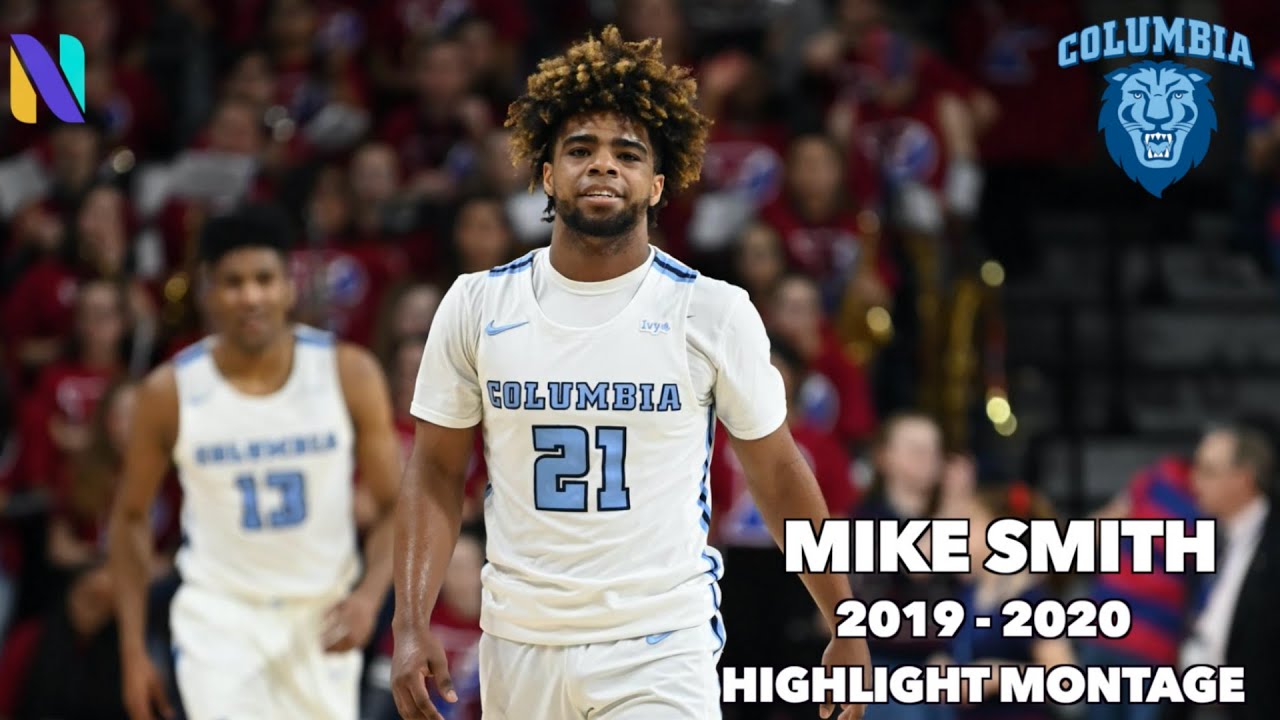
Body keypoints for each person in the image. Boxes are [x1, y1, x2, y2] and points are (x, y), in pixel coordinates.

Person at [391, 25, 872, 720]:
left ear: (657, 183)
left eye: (627, 153)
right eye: (579, 149)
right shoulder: (476, 304)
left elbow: (776, 470)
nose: (603, 166)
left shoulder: (711, 310)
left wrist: (844, 618)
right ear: (546, 174)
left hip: (660, 643)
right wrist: (411, 621)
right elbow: (435, 471)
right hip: (519, 642)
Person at [107, 204, 403, 720]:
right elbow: (129, 519)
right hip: (219, 618)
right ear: (207, 292)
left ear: (288, 287)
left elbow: (396, 507)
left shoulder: (348, 373)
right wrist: (132, 651)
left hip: (322, 614)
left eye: (264, 279)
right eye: (233, 282)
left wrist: (369, 597)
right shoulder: (169, 391)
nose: (250, 296)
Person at [1169, 418, 1280, 720]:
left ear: (1243, 479)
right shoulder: (1212, 539)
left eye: (1208, 471)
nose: (1194, 481)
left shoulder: (1271, 545)